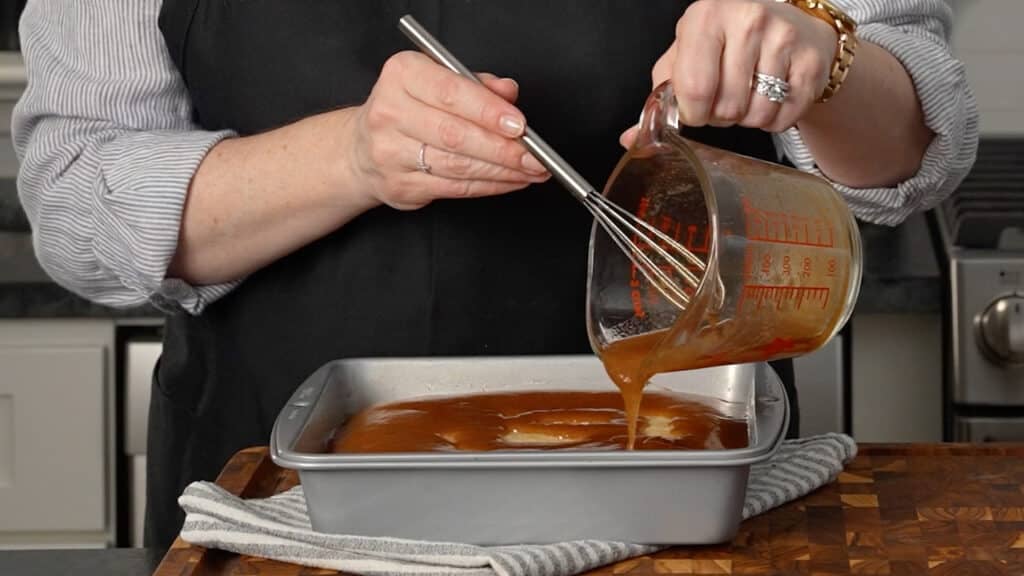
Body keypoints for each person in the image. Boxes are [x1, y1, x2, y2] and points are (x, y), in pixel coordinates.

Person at [14, 0, 976, 549]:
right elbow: (75, 206)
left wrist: (824, 60)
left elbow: (918, 157)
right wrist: (352, 158)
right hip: (287, 514)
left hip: (684, 510)